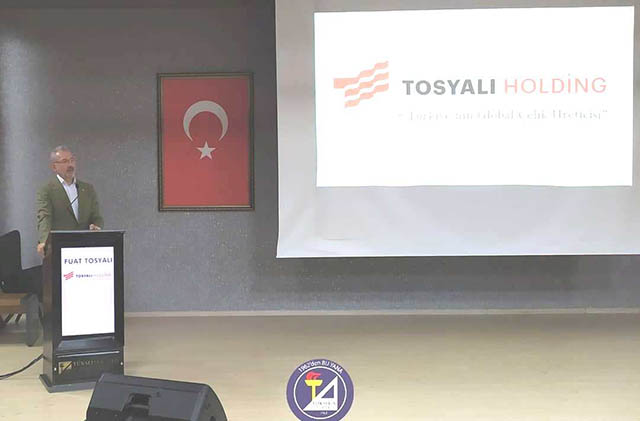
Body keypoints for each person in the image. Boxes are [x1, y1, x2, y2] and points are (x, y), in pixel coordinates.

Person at [36, 145, 103, 257]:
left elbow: (97, 216)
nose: (70, 165)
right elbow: (44, 217)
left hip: (86, 248)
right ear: (54, 167)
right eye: (65, 161)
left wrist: (96, 225)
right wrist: (44, 241)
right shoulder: (47, 190)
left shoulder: (87, 189)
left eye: (72, 160)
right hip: (60, 248)